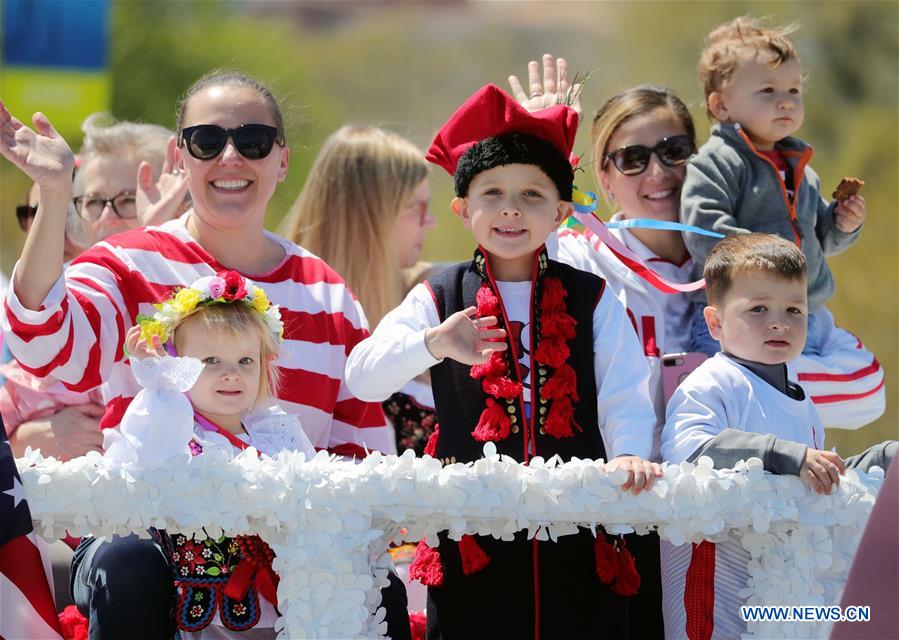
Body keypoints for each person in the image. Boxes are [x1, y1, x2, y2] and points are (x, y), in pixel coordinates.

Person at [0, 70, 392, 639]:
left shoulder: (327, 292)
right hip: (146, 539)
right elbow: (44, 343)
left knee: (374, 582)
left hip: (284, 556)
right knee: (126, 563)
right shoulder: (127, 262)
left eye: (253, 141)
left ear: (281, 160)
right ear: (178, 158)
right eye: (208, 141)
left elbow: (360, 456)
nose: (230, 157)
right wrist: (57, 194)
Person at [346, 84, 661, 639]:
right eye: (491, 192)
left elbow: (625, 390)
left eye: (532, 195)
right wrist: (434, 344)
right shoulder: (438, 295)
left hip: (578, 534)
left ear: (562, 212)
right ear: (463, 209)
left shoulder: (591, 296)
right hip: (474, 546)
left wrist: (631, 453)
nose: (511, 209)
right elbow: (363, 377)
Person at [660, 233, 896, 639]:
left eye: (793, 309)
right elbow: (691, 454)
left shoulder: (800, 398)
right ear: (715, 322)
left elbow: (812, 479)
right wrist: (784, 454)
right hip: (718, 594)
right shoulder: (711, 383)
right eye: (758, 309)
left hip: (781, 599)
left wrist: (877, 462)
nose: (779, 322)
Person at [101, 272, 315, 639]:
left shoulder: (279, 431)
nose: (231, 374)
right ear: (176, 364)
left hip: (277, 603)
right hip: (198, 606)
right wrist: (161, 381)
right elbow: (146, 454)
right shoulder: (170, 422)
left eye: (246, 361)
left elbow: (317, 490)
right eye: (211, 360)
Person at [681, 17, 867, 359]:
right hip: (741, 318)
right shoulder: (716, 163)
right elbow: (702, 232)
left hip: (801, 313)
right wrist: (770, 258)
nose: (785, 101)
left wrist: (842, 223)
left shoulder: (800, 169)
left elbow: (820, 240)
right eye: (768, 90)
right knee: (745, 397)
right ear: (721, 105)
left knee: (826, 397)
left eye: (793, 90)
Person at [281, 125, 439, 456]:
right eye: (417, 207)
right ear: (372, 212)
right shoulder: (278, 307)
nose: (431, 222)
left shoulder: (432, 297)